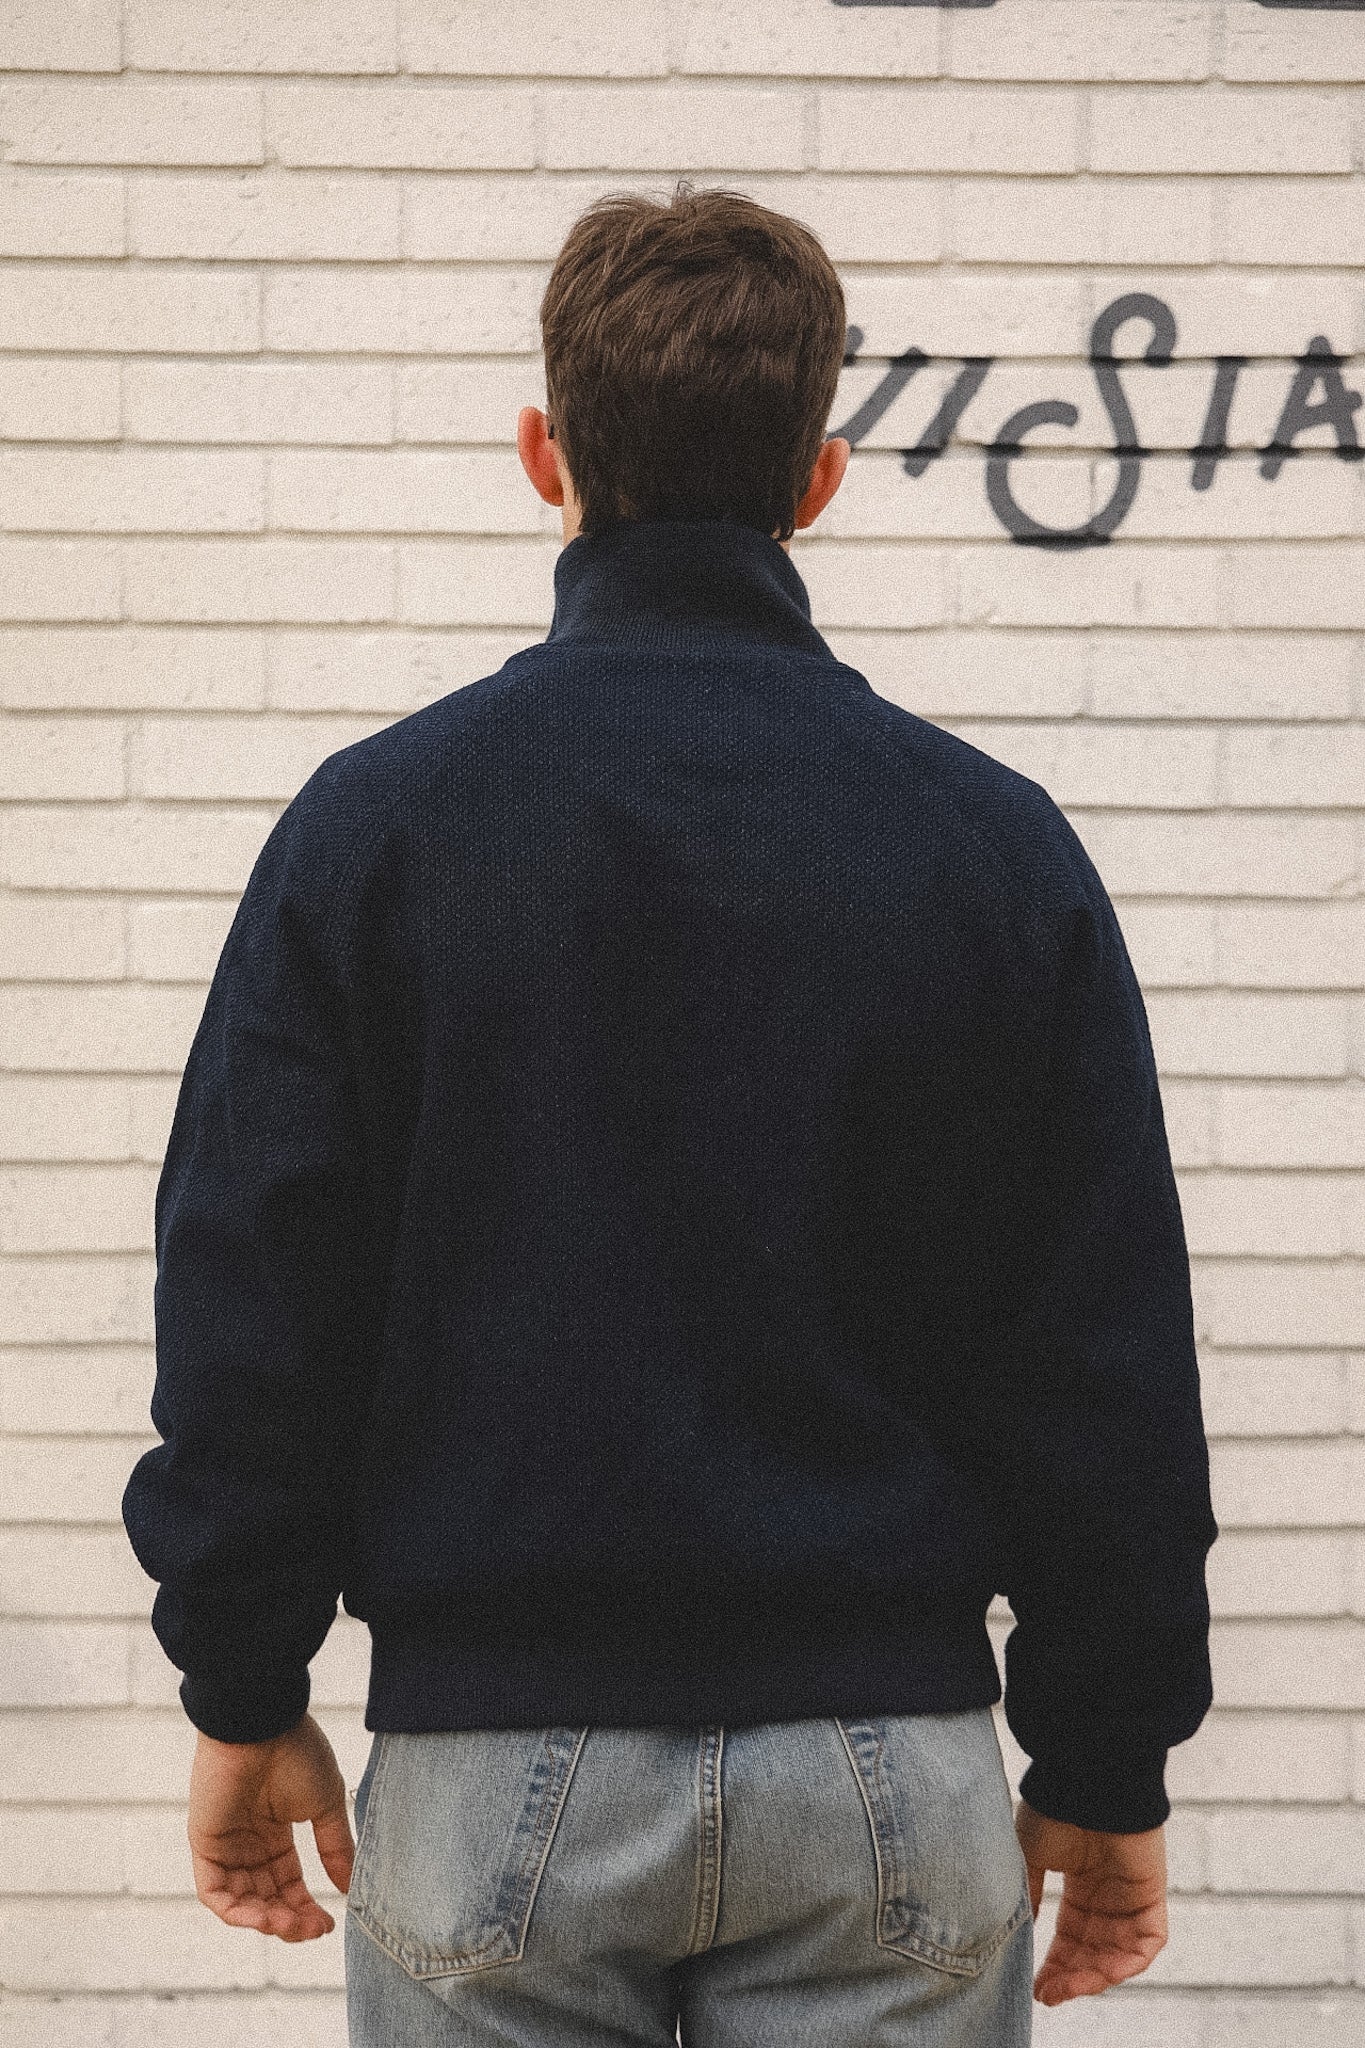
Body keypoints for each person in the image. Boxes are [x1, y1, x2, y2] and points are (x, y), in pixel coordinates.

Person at [122, 182, 1218, 2047]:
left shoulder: (374, 834)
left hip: (490, 1771)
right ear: (820, 479)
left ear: (546, 451)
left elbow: (255, 1302)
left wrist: (243, 1686)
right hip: (888, 1768)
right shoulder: (989, 852)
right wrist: (1104, 1759)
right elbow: (1100, 1351)